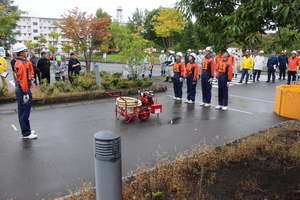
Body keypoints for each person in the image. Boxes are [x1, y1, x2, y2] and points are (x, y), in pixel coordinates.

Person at [12, 43, 37, 139]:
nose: (27, 52)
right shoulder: (21, 64)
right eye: (25, 51)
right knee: (24, 111)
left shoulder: (21, 62)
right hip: (23, 89)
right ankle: (26, 133)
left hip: (23, 89)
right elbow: (23, 80)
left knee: (24, 110)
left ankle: (27, 129)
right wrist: (26, 92)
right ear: (21, 53)